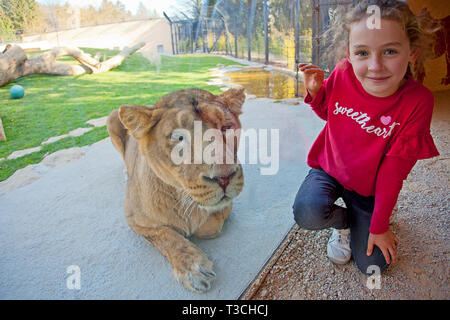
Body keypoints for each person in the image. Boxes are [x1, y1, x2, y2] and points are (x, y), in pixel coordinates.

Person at [293, 0, 441, 275]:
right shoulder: (342, 72)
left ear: (412, 53)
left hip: (369, 186)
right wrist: (315, 94)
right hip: (330, 170)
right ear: (348, 53)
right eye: (362, 52)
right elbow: (332, 113)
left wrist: (380, 225)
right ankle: (345, 224)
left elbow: (394, 171)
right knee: (308, 212)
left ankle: (367, 216)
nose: (375, 66)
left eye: (390, 51)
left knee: (375, 264)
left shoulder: (418, 102)